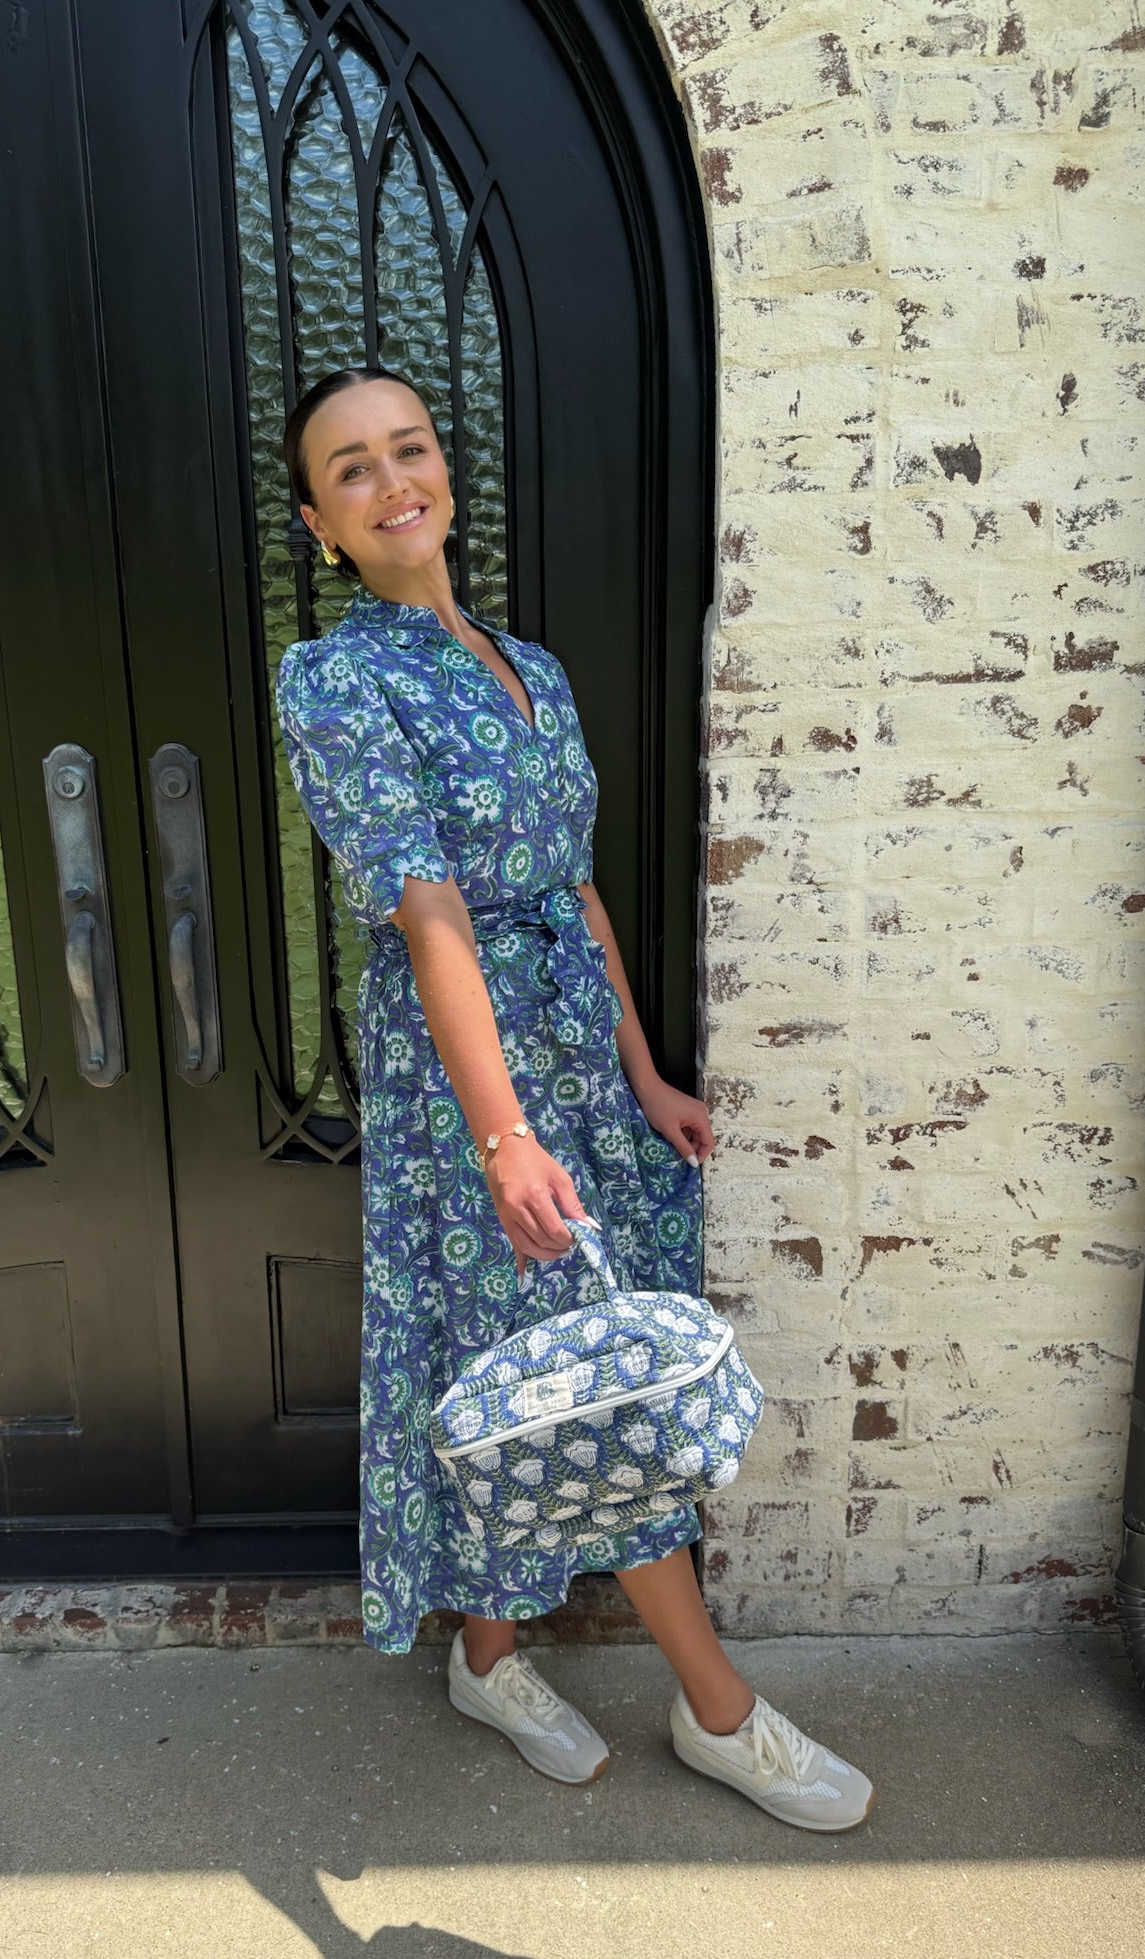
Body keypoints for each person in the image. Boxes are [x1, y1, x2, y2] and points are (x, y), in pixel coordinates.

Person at [275, 365, 874, 1832]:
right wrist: (503, 1134)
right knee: (579, 1365)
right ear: (320, 525)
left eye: (409, 448)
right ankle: (719, 1712)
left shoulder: (530, 668)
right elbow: (429, 911)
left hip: (575, 1064)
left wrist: (643, 1071)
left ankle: (487, 1659)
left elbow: (577, 889)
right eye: (351, 469)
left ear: (444, 470)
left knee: (546, 1357)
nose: (392, 481)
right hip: (465, 1074)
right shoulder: (334, 680)